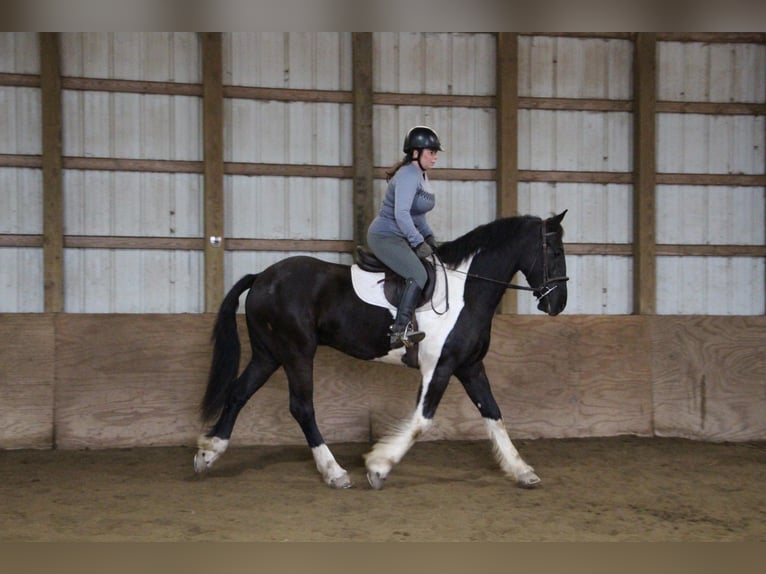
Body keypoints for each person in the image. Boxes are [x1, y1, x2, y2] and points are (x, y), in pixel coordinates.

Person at [367, 125, 443, 350]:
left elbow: (416, 214)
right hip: (385, 237)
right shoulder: (409, 175)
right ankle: (399, 330)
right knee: (418, 274)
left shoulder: (421, 175)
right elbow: (401, 214)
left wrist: (429, 237)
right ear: (416, 153)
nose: (435, 157)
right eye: (431, 152)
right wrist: (418, 241)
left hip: (401, 236)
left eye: (436, 153)